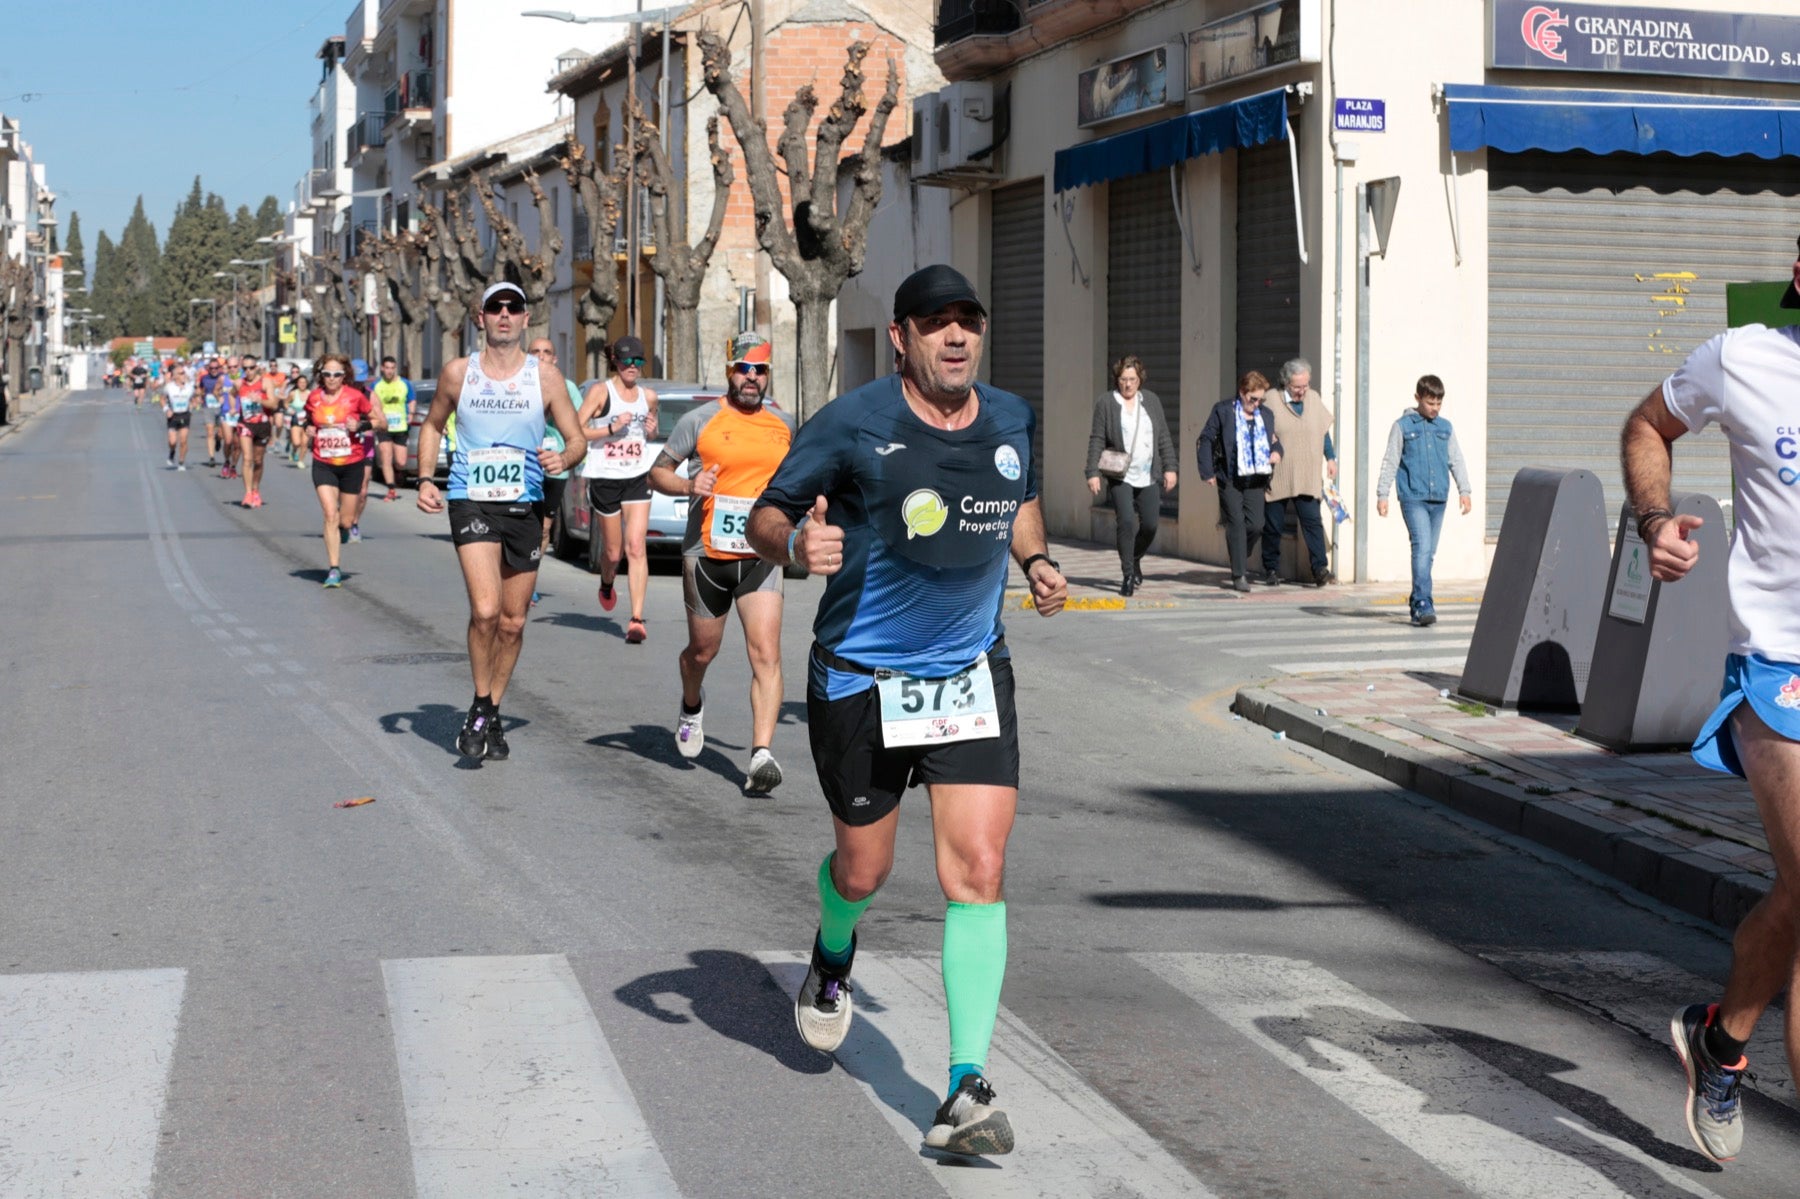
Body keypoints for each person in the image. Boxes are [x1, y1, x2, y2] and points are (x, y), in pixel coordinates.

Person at [746, 264, 1068, 1158]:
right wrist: (798, 545)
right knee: (863, 871)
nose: (956, 336)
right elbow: (764, 517)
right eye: (936, 323)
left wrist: (1035, 563)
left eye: (969, 319)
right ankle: (834, 947)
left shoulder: (1010, 416)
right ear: (902, 337)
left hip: (968, 672)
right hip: (861, 678)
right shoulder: (854, 423)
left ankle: (966, 1086)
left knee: (981, 864)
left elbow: (1020, 502)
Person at [1621, 238, 1800, 1166]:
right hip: (1779, 672)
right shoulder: (1743, 358)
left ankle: (1721, 1039)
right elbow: (1647, 426)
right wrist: (1656, 522)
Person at [416, 281, 585, 761]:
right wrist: (425, 478)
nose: (505, 315)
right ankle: (480, 705)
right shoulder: (457, 373)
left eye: (514, 308)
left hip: (526, 505)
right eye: (496, 308)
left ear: (525, 318)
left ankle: (490, 710)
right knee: (486, 612)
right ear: (481, 318)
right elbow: (431, 425)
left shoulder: (545, 377)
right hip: (470, 499)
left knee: (512, 623)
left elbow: (576, 440)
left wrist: (562, 458)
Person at [646, 332, 792, 788]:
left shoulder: (785, 424)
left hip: (761, 556)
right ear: (729, 371)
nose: (752, 377)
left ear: (768, 376)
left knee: (766, 654)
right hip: (706, 553)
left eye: (760, 370)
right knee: (702, 651)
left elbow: (802, 479)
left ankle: (761, 755)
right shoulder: (699, 420)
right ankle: (692, 704)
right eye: (743, 368)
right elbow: (657, 473)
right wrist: (690, 487)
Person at [577, 335, 659, 641]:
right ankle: (607, 580)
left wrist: (652, 431)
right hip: (605, 478)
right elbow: (576, 428)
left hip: (638, 474)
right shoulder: (602, 392)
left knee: (636, 546)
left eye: (639, 362)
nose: (633, 367)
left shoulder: (648, 396)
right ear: (616, 362)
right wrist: (610, 428)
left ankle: (636, 618)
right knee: (612, 552)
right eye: (627, 361)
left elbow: (652, 428)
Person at [1375, 375, 1471, 627]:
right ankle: (1423, 604)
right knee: (1422, 547)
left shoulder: (1445, 428)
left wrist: (1465, 490)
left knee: (1429, 554)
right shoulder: (1403, 426)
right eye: (1430, 403)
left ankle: (1418, 598)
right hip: (1413, 497)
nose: (1435, 409)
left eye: (1439, 404)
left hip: (1439, 498)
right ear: (1418, 398)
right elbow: (1390, 460)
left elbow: (1456, 460)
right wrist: (1382, 494)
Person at [1084, 354, 1177, 596]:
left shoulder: (1152, 401)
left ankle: (1134, 557)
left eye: (1132, 379)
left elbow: (1164, 437)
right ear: (1117, 379)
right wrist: (1092, 471)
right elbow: (1097, 438)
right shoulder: (1106, 402)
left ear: (1140, 379)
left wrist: (1170, 467)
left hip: (1147, 474)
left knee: (1150, 525)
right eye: (1123, 379)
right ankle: (1127, 574)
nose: (1128, 384)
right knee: (1125, 521)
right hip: (1120, 475)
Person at [1197, 371, 1283, 593]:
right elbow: (1206, 438)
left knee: (1256, 525)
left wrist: (1276, 452)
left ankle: (1239, 552)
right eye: (1252, 399)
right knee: (1235, 523)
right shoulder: (1224, 411)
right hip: (1230, 477)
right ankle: (1239, 575)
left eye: (1260, 400)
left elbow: (1275, 441)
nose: (1256, 403)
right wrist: (1207, 471)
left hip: (1256, 478)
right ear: (1242, 393)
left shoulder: (1266, 415)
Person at [1261, 357, 1338, 587]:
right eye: (1297, 387)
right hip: (1279, 473)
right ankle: (1271, 568)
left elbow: (1322, 431)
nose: (1302, 391)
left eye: (1305, 385)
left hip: (1307, 472)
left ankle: (1320, 569)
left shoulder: (1313, 399)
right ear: (1285, 383)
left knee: (1313, 522)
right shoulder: (1271, 399)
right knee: (1273, 524)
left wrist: (1331, 458)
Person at [304, 352, 376, 589]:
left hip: (352, 463)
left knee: (345, 520)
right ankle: (334, 568)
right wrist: (309, 430)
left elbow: (379, 420)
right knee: (329, 514)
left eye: (337, 374)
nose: (332, 378)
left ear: (344, 376)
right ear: (320, 375)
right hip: (323, 462)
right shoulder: (314, 398)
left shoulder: (356, 397)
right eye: (327, 374)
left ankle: (345, 529)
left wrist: (362, 424)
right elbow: (307, 421)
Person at [527, 337, 580, 605]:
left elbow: (579, 427)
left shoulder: (567, 387)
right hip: (525, 465)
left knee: (544, 529)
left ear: (555, 359)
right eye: (535, 352)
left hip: (555, 467)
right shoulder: (520, 384)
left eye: (547, 352)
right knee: (522, 524)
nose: (541, 356)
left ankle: (530, 579)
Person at [371, 355, 415, 501]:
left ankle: (398, 473)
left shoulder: (404, 383)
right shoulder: (376, 385)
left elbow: (411, 399)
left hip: (401, 426)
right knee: (385, 457)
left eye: (392, 368)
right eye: (387, 368)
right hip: (384, 427)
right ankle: (391, 489)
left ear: (395, 369)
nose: (389, 371)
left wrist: (411, 414)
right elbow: (371, 403)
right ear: (382, 368)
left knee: (401, 462)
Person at [236, 364, 275, 508]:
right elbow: (231, 393)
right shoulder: (239, 383)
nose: (248, 371)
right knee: (247, 458)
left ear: (256, 368)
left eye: (251, 368)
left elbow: (273, 403)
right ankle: (247, 493)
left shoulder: (265, 382)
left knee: (258, 460)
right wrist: (233, 407)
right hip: (245, 424)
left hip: (262, 425)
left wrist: (260, 400)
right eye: (244, 368)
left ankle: (255, 490)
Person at [161, 363, 196, 470]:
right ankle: (172, 451)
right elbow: (162, 399)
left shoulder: (190, 387)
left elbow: (194, 399)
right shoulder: (169, 387)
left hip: (185, 415)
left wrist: (192, 406)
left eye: (184, 373)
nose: (184, 375)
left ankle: (181, 462)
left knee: (184, 440)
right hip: (173, 415)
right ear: (175, 376)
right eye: (181, 373)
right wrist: (166, 410)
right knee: (172, 442)